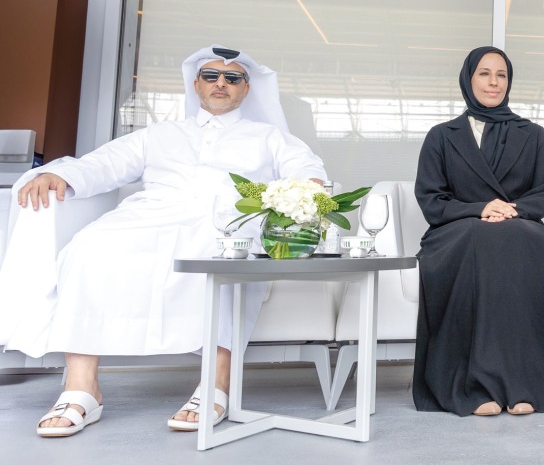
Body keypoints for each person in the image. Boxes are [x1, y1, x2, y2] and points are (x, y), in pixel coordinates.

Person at [0, 45, 327, 437]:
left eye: (232, 78)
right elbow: (102, 164)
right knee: (87, 248)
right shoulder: (160, 133)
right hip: (149, 215)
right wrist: (62, 177)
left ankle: (215, 384)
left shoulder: (270, 137)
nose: (221, 83)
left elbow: (306, 170)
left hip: (226, 221)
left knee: (223, 256)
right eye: (211, 76)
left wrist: (308, 187)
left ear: (246, 89)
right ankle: (81, 388)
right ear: (196, 85)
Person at [412, 46, 544, 417]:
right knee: (478, 237)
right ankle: (471, 386)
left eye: (501, 75)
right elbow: (432, 200)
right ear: (469, 80)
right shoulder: (441, 136)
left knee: (517, 238)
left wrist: (511, 210)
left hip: (519, 225)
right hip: (455, 231)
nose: (493, 82)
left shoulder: (533, 134)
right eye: (484, 73)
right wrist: (479, 208)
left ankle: (525, 385)